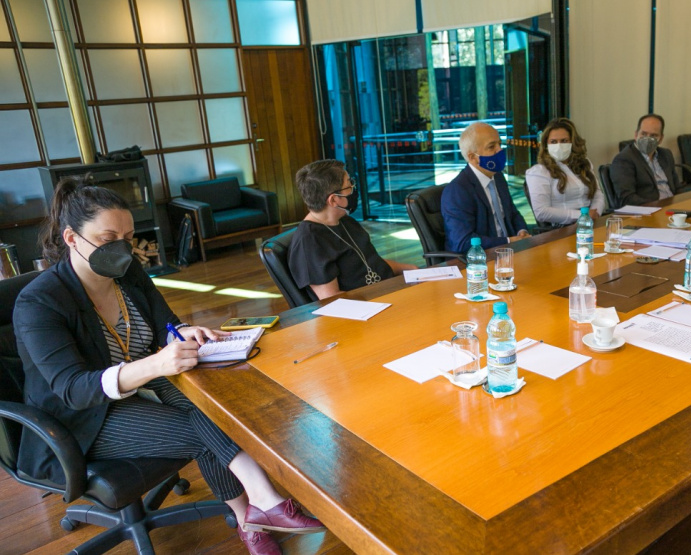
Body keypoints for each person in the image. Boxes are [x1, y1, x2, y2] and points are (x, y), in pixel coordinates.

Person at [14, 177, 324, 555]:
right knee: (203, 428)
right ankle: (261, 508)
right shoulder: (39, 302)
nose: (121, 249)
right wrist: (157, 363)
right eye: (107, 237)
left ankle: (254, 515)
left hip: (143, 380)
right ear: (71, 238)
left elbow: (166, 325)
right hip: (81, 418)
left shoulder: (126, 273)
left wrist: (184, 333)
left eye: (127, 238)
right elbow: (74, 390)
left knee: (218, 407)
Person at [288, 160, 416, 301]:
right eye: (349, 185)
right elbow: (330, 298)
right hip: (368, 307)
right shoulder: (309, 241)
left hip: (388, 292)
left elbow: (371, 263)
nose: (353, 188)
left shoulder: (346, 221)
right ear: (334, 200)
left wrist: (409, 268)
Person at [442, 122, 530, 253]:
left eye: (499, 144)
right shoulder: (458, 190)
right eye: (491, 146)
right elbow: (463, 241)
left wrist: (522, 231)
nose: (499, 150)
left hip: (511, 253)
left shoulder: (498, 177)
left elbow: (512, 213)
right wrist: (508, 242)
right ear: (473, 157)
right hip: (479, 262)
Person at [524, 117, 605, 226]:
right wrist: (582, 215)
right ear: (546, 145)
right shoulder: (539, 172)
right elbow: (541, 212)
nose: (559, 145)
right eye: (553, 142)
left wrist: (596, 213)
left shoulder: (584, 163)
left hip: (591, 223)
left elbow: (598, 194)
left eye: (564, 141)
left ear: (573, 142)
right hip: (563, 228)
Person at [610, 114, 686, 206]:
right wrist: (657, 207)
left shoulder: (666, 154)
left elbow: (677, 187)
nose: (647, 139)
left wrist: (685, 203)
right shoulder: (624, 159)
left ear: (661, 139)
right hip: (649, 212)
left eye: (653, 135)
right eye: (644, 134)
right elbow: (627, 198)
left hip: (673, 208)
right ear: (636, 134)